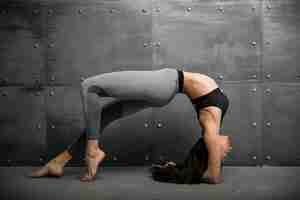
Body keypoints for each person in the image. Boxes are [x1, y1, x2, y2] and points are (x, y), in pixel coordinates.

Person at [29, 68, 231, 184]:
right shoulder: (214, 119)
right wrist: (207, 162)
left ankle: (92, 152)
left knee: (90, 86)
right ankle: (58, 162)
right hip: (165, 89)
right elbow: (211, 144)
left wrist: (213, 172)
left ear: (209, 149)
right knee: (106, 115)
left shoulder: (210, 125)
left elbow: (212, 150)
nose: (228, 149)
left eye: (223, 154)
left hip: (167, 83)